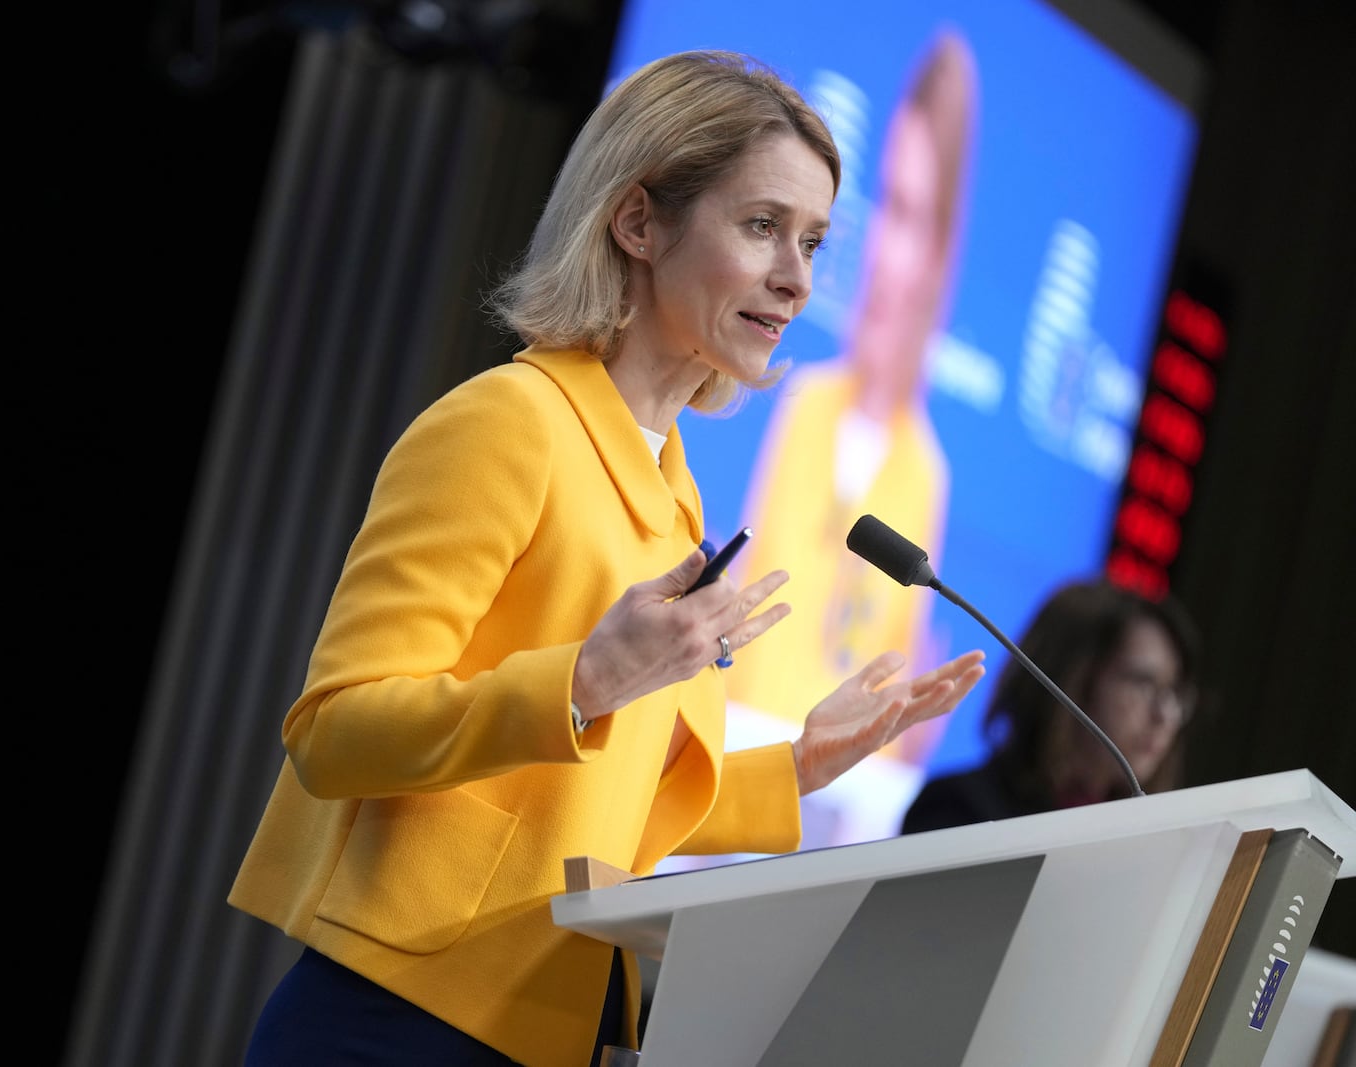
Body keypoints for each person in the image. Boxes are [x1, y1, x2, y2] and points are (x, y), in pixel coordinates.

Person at [228, 50, 986, 1067]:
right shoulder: (510, 423)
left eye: (810, 241)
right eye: (761, 227)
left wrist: (802, 764)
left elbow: (606, 804)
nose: (797, 279)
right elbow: (333, 730)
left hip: (562, 1026)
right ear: (638, 223)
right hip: (403, 1018)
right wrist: (583, 680)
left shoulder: (677, 494)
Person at [729, 32, 979, 762]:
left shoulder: (925, 473)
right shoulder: (805, 403)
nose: (877, 247)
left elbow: (888, 707)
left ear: (940, 255)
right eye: (882, 206)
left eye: (908, 214)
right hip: (729, 776)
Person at [900, 578, 1201, 834]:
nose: (1165, 716)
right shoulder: (959, 813)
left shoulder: (1147, 838)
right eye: (1143, 683)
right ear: (1071, 679)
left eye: (1174, 693)